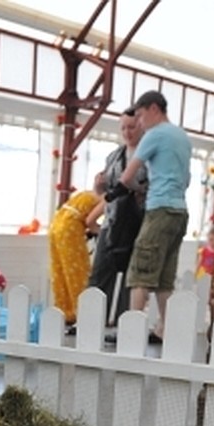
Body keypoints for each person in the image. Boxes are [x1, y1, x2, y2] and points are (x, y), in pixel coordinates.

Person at [108, 90, 192, 341]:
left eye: (142, 116)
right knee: (165, 277)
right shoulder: (182, 137)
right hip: (180, 212)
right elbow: (186, 180)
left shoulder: (154, 135)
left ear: (154, 109)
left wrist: (134, 189)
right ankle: (165, 330)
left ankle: (131, 331)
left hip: (159, 209)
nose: (140, 123)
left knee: (140, 271)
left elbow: (127, 176)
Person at [88, 107, 147, 329]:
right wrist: (99, 185)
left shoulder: (149, 155)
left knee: (130, 279)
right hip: (112, 222)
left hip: (138, 223)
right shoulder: (114, 156)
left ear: (141, 127)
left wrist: (135, 187)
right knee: (100, 272)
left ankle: (124, 325)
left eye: (131, 127)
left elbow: (153, 188)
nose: (127, 132)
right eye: (123, 127)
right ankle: (92, 321)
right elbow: (103, 194)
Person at [48, 173, 105, 329]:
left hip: (56, 225)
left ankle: (65, 310)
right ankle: (81, 311)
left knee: (60, 270)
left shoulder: (86, 194)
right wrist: (101, 232)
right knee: (78, 271)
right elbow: (90, 221)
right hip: (70, 230)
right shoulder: (106, 199)